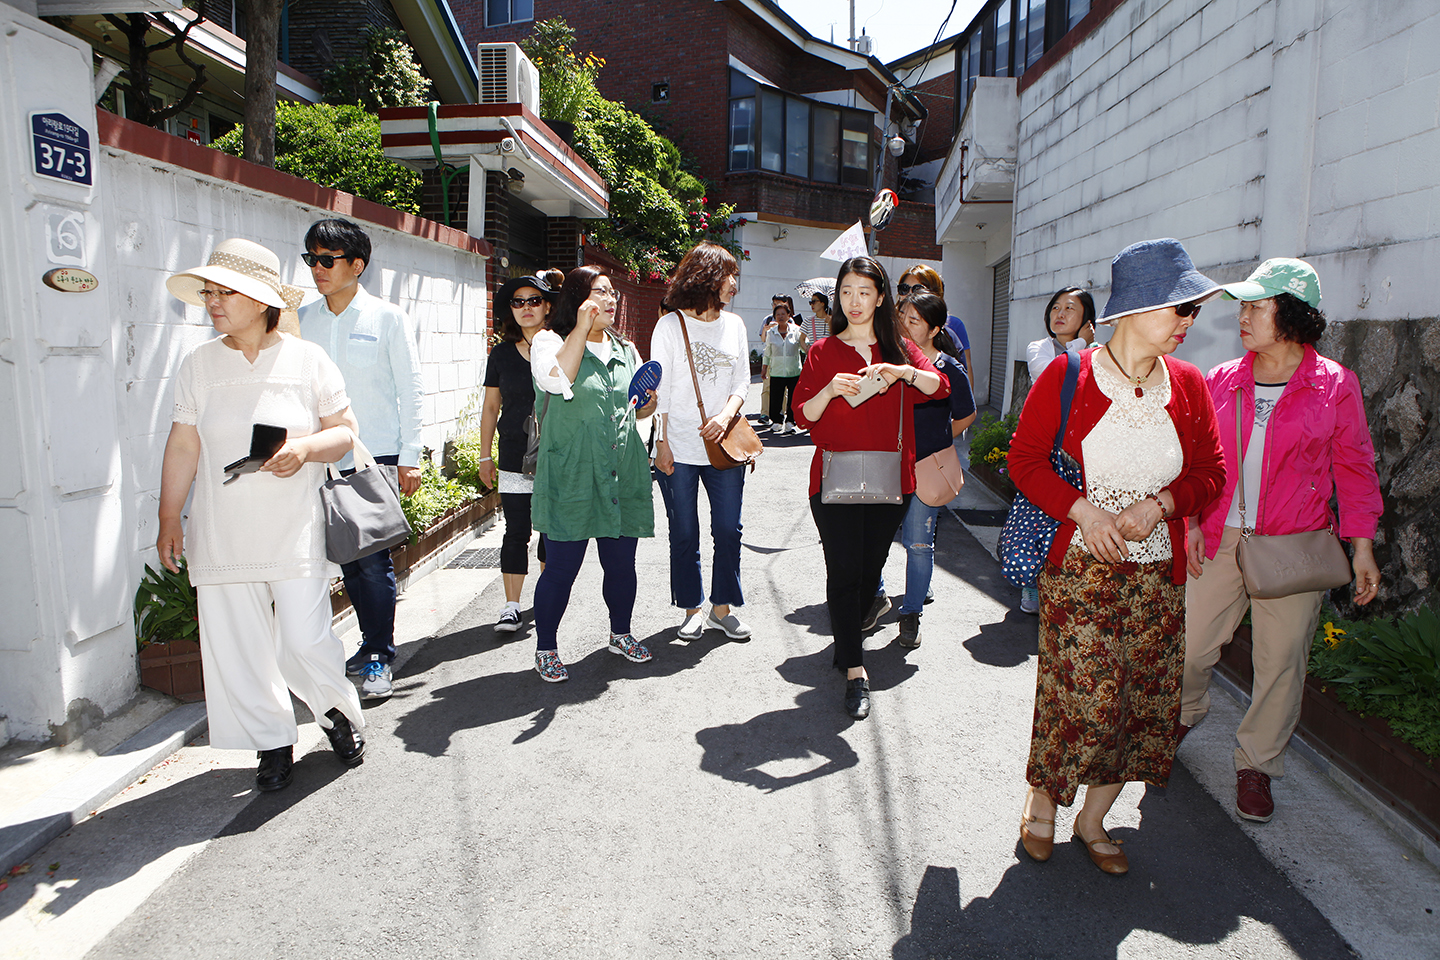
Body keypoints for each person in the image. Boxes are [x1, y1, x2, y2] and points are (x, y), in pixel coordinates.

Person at [1009, 238, 1225, 874]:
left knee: (1142, 699)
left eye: (1193, 312)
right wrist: (1085, 512)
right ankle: (1043, 804)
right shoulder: (1069, 374)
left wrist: (1160, 505)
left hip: (1157, 574)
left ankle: (1094, 820)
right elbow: (1023, 461)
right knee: (1077, 696)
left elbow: (1211, 472)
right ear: (1134, 309)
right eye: (1179, 309)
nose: (1189, 324)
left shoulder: (1188, 384)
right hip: (1079, 569)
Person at [158, 238, 367, 793]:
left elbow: (345, 435)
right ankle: (273, 742)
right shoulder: (198, 366)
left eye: (225, 291)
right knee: (239, 646)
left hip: (296, 525)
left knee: (302, 639)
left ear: (262, 299)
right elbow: (182, 446)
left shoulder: (307, 359)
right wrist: (169, 518)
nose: (213, 302)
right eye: (208, 292)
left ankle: (335, 712)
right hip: (224, 530)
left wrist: (303, 449)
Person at [1180, 258, 1383, 824]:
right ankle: (1186, 709)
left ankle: (1257, 765)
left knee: (1281, 663)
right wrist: (1192, 522)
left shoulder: (1335, 385)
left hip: (1295, 542)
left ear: (1291, 315)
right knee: (1192, 645)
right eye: (1242, 306)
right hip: (1222, 534)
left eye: (1255, 307)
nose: (1242, 317)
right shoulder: (1222, 379)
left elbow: (1355, 467)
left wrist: (1360, 544)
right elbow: (1196, 461)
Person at [794, 257, 949, 720]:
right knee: (843, 572)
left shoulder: (899, 346)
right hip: (832, 480)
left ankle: (847, 643)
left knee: (868, 573)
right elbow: (804, 415)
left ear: (881, 297)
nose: (854, 302)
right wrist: (829, 392)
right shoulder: (823, 352)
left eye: (864, 292)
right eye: (846, 292)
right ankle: (856, 671)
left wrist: (903, 373)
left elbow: (939, 387)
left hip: (890, 481)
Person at [298, 219, 423, 701]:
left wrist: (409, 457)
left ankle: (377, 654)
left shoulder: (386, 318)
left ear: (357, 265)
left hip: (372, 457)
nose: (318, 269)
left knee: (370, 561)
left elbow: (410, 389)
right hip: (313, 458)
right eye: (312, 259)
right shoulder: (301, 320)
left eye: (328, 260)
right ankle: (353, 647)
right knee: (338, 562)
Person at [528, 266, 657, 681]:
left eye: (613, 294)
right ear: (580, 299)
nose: (611, 301)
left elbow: (638, 409)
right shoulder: (548, 342)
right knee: (562, 568)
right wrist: (581, 329)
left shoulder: (626, 349)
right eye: (601, 293)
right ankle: (545, 646)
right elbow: (556, 380)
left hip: (623, 470)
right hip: (573, 473)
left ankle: (621, 633)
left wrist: (648, 403)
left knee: (621, 565)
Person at [651, 243, 754, 642]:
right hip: (677, 445)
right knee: (684, 531)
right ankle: (692, 608)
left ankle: (722, 608)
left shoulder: (736, 326)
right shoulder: (670, 326)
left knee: (729, 529)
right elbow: (658, 391)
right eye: (729, 276)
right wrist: (661, 443)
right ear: (708, 277)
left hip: (724, 446)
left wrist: (725, 415)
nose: (734, 285)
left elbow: (742, 381)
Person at [889, 291, 977, 648]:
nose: (905, 326)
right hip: (888, 465)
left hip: (926, 466)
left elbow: (967, 413)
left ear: (934, 328)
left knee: (918, 543)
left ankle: (911, 613)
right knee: (876, 538)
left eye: (914, 321)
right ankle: (876, 597)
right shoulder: (891, 359)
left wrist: (940, 439)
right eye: (902, 317)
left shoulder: (948, 368)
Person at [478, 275, 554, 634]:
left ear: (547, 306)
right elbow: (491, 407)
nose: (526, 307)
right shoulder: (502, 354)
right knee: (517, 530)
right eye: (518, 301)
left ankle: (546, 596)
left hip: (556, 454)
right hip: (513, 454)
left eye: (534, 300)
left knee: (551, 529)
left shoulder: (562, 347)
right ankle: (511, 607)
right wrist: (484, 456)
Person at [1018, 287, 1098, 615]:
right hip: (1042, 448)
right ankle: (1030, 586)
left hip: (1079, 450)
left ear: (1086, 319)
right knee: (1035, 517)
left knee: (1070, 519)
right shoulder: (1039, 348)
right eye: (1055, 307)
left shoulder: (1101, 353)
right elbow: (1048, 373)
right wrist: (1083, 342)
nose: (1059, 314)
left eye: (1070, 308)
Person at [898, 265, 972, 391]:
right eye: (904, 289)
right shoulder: (887, 328)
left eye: (918, 289)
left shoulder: (952, 330)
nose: (910, 294)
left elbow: (964, 381)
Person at [761, 298, 806, 434]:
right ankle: (777, 421)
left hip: (794, 371)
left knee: (793, 399)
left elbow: (804, 347)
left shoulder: (797, 331)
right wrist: (764, 368)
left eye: (783, 314)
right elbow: (767, 351)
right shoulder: (771, 332)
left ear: (789, 315)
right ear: (774, 317)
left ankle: (790, 422)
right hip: (777, 371)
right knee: (776, 398)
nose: (780, 317)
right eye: (778, 314)